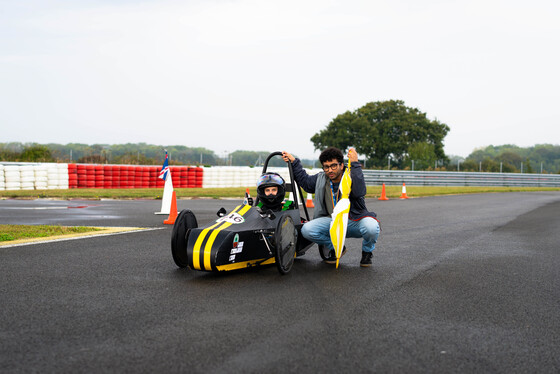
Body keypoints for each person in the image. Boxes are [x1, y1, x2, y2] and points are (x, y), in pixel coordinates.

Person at [282, 147, 380, 267]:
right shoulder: (321, 178)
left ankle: (367, 251)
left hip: (354, 220)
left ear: (341, 165)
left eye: (333, 166)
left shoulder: (350, 176)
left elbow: (360, 191)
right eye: (326, 167)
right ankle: (336, 247)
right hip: (332, 221)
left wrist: (354, 163)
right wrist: (294, 162)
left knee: (372, 227)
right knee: (307, 230)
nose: (330, 170)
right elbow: (306, 182)